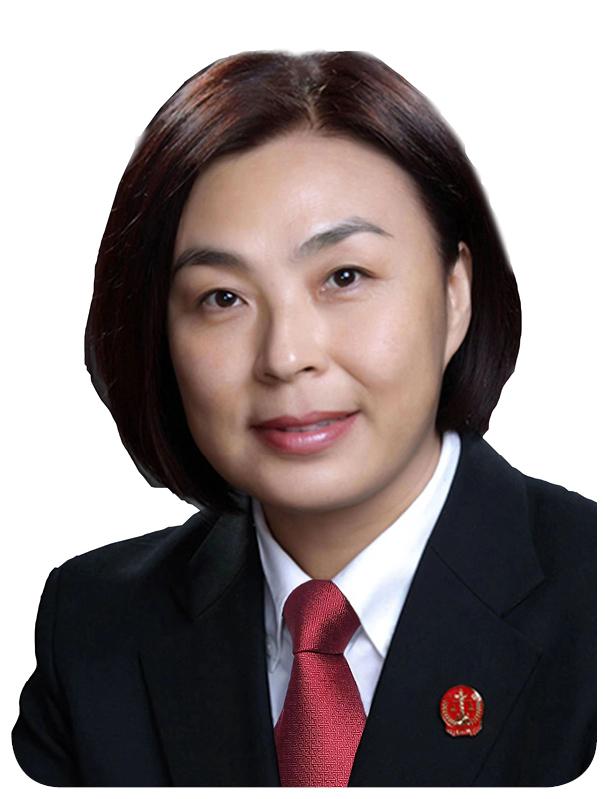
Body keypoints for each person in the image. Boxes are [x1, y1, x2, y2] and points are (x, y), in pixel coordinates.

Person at [12, 49, 595, 788]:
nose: (285, 357)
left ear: (455, 296)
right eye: (222, 297)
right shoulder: (93, 624)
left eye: (344, 277)